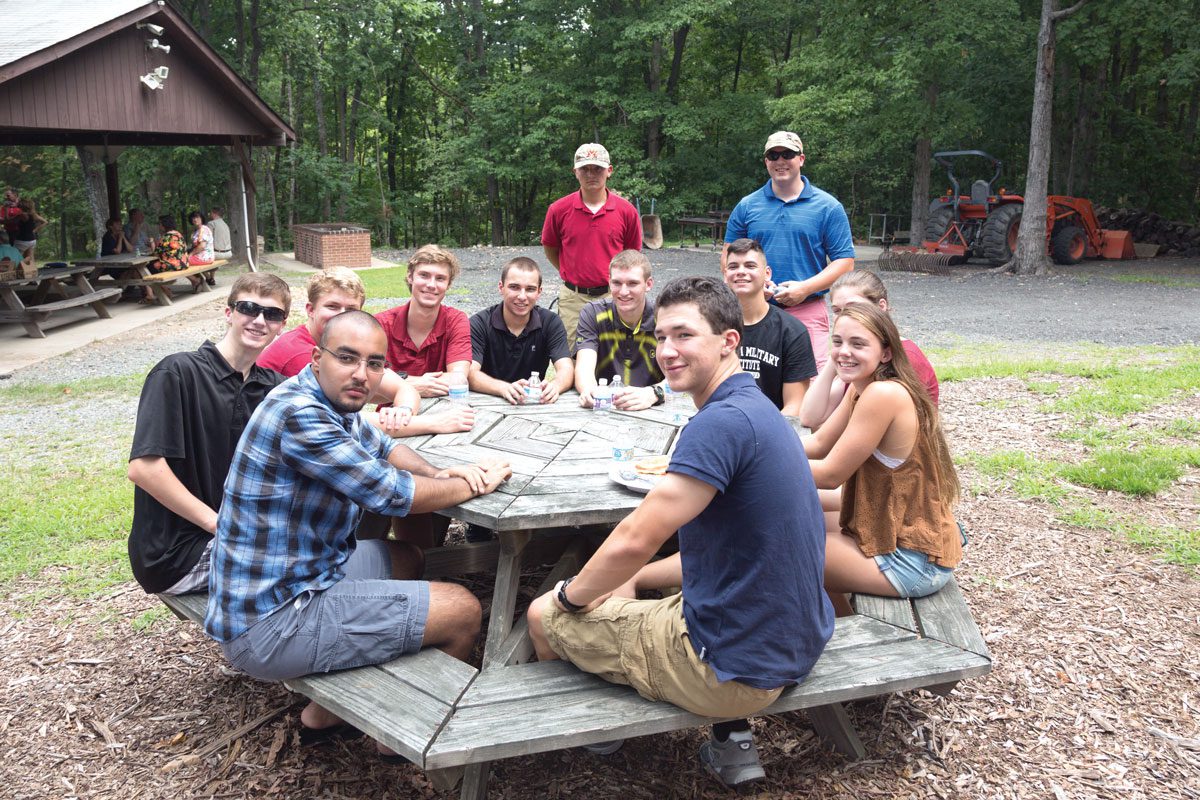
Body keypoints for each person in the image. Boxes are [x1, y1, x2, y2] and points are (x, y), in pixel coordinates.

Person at [528, 276, 833, 787]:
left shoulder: (717, 425)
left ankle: (594, 743)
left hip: (734, 670)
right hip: (797, 637)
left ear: (729, 340)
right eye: (661, 336)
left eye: (684, 336)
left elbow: (632, 538)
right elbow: (730, 548)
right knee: (638, 586)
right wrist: (640, 578)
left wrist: (570, 601)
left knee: (541, 615)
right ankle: (732, 744)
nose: (667, 350)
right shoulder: (762, 410)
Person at [205, 310, 511, 756]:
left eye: (373, 363)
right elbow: (391, 495)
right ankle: (403, 735)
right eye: (347, 358)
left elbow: (386, 448)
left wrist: (441, 470)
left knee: (408, 557)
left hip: (300, 574)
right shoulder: (300, 415)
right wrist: (476, 481)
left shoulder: (331, 401)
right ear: (316, 358)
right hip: (269, 619)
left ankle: (325, 713)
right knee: (462, 610)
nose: (361, 374)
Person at [126, 273, 293, 596]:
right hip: (176, 554)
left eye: (272, 314)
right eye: (248, 308)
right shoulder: (177, 373)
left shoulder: (273, 388)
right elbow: (144, 469)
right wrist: (220, 526)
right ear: (229, 313)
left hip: (236, 537)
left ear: (282, 325)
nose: (259, 320)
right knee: (315, 561)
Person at [803, 302, 963, 618]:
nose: (843, 352)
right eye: (837, 342)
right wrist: (757, 447)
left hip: (912, 559)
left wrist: (749, 465)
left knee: (784, 544)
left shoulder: (884, 395)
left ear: (886, 353)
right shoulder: (864, 387)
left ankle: (846, 629)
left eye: (857, 343)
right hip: (884, 528)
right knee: (792, 515)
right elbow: (819, 444)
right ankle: (839, 619)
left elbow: (830, 474)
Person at [724, 131, 855, 370]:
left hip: (807, 310)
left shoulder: (828, 207)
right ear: (766, 162)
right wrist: (753, 289)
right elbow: (728, 257)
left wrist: (806, 288)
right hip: (753, 312)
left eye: (788, 154)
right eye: (773, 155)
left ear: (801, 159)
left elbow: (845, 262)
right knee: (748, 380)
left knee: (809, 384)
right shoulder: (747, 206)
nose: (780, 160)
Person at [373, 245, 476, 547]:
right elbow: (372, 382)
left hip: (446, 420)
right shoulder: (382, 323)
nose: (431, 284)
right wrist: (414, 383)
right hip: (392, 423)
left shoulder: (455, 319)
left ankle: (430, 555)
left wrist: (397, 382)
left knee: (447, 470)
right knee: (403, 479)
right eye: (424, 275)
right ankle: (413, 556)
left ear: (448, 284)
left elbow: (459, 376)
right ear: (410, 277)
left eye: (440, 278)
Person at [257, 267, 423, 435]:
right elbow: (342, 421)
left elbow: (405, 389)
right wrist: (435, 423)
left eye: (351, 310)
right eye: (332, 306)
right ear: (310, 310)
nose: (341, 316)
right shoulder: (302, 353)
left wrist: (403, 410)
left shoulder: (346, 349)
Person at [799, 269, 939, 430]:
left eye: (855, 307)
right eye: (837, 310)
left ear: (881, 307)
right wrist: (838, 354)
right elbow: (810, 417)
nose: (845, 316)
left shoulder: (906, 357)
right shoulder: (853, 356)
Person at [542, 143, 643, 348]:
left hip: (613, 295)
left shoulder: (626, 211)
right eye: (585, 169)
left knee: (618, 353)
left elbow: (633, 257)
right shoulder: (559, 210)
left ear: (609, 171)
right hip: (573, 298)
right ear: (575, 172)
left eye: (597, 168)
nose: (591, 174)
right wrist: (570, 271)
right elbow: (551, 248)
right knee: (572, 354)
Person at [721, 238, 817, 415]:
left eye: (750, 266)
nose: (741, 272)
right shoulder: (712, 326)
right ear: (725, 275)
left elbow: (794, 406)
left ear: (767, 274)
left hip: (769, 430)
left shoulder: (793, 332)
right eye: (734, 267)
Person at [468, 256, 574, 405]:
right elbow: (470, 373)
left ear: (539, 292)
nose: (522, 296)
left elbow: (566, 368)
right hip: (486, 402)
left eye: (530, 289)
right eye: (514, 287)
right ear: (501, 287)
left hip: (533, 404)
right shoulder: (479, 323)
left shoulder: (551, 322)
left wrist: (556, 386)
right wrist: (503, 388)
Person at [573, 250, 664, 411]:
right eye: (617, 283)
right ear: (609, 283)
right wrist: (589, 390)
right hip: (604, 407)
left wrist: (654, 393)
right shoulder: (593, 313)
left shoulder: (663, 318)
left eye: (632, 283)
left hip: (651, 409)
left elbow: (684, 374)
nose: (623, 292)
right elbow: (584, 367)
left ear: (648, 284)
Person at [143, 215, 191, 302]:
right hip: (184, 263)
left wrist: (152, 243)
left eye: (160, 224)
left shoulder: (166, 237)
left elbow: (156, 254)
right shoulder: (178, 234)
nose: (159, 226)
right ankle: (163, 291)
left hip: (174, 265)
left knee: (148, 268)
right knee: (153, 267)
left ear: (165, 225)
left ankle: (153, 293)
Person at [12, 198, 47, 266]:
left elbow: (9, 221)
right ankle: (33, 273)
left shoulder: (22, 215)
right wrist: (35, 230)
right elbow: (45, 222)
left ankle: (16, 273)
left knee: (15, 258)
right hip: (32, 240)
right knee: (31, 259)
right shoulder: (33, 214)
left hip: (22, 241)